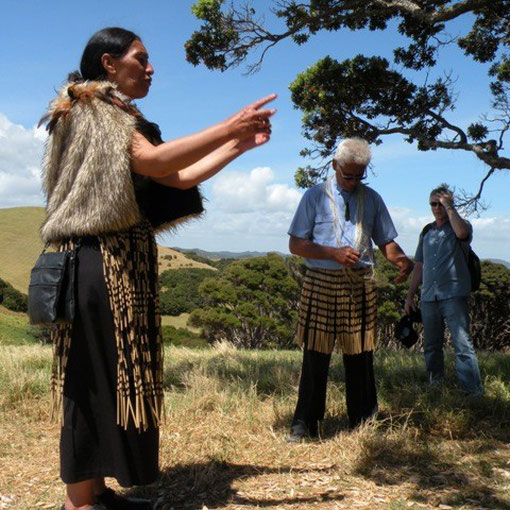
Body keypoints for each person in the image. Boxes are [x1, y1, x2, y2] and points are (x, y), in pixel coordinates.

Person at [40, 27, 276, 510]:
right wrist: (228, 126)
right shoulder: (89, 109)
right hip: (93, 263)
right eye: (141, 59)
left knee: (112, 375)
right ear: (109, 63)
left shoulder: (116, 116)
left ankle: (98, 493)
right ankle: (78, 502)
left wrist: (238, 147)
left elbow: (177, 175)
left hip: (118, 265)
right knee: (91, 377)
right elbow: (152, 161)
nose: (150, 69)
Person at [287, 138, 413, 440]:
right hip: (320, 282)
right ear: (335, 166)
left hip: (359, 285)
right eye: (349, 175)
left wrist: (401, 260)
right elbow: (295, 245)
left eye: (360, 176)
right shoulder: (314, 196)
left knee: (360, 355)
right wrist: (334, 253)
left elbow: (385, 241)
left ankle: (363, 421)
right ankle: (304, 424)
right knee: (316, 356)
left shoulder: (372, 199)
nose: (354, 181)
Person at [405, 185, 483, 395]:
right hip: (429, 296)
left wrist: (450, 207)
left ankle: (473, 391)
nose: (436, 208)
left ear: (449, 203)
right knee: (431, 345)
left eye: (440, 204)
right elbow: (419, 265)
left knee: (462, 344)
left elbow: (462, 233)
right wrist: (410, 295)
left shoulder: (460, 225)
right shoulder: (427, 232)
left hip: (454, 294)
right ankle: (435, 384)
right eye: (433, 204)